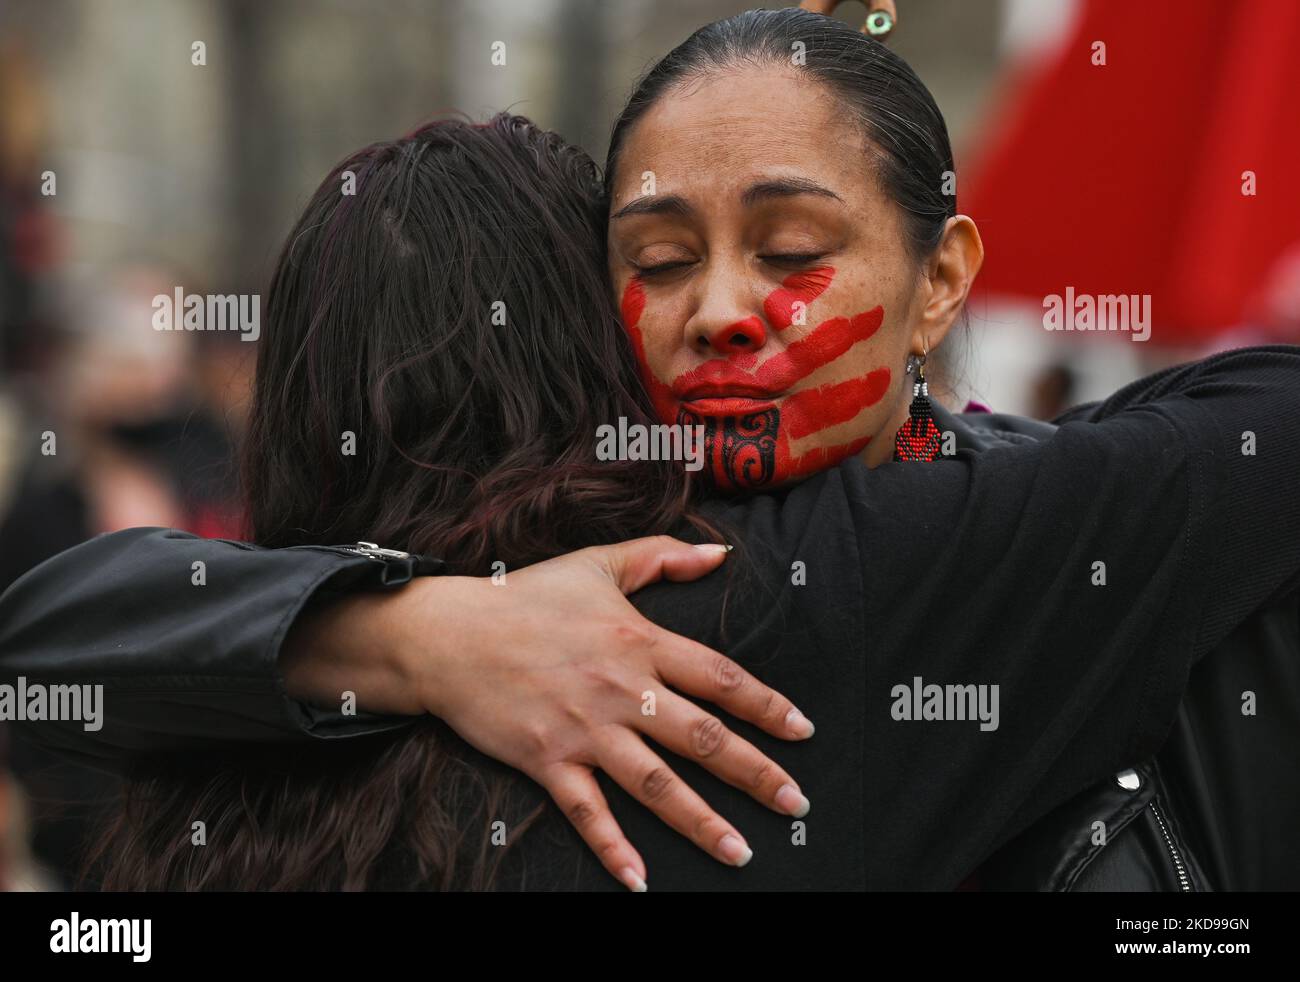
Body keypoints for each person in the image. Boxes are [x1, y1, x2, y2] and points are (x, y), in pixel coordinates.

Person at [3, 9, 1300, 890]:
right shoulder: (714, 589)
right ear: (589, 331)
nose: (723, 308)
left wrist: (396, 634)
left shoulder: (206, 748)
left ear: (943, 275)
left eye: (794, 253)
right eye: (658, 262)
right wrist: (433, 632)